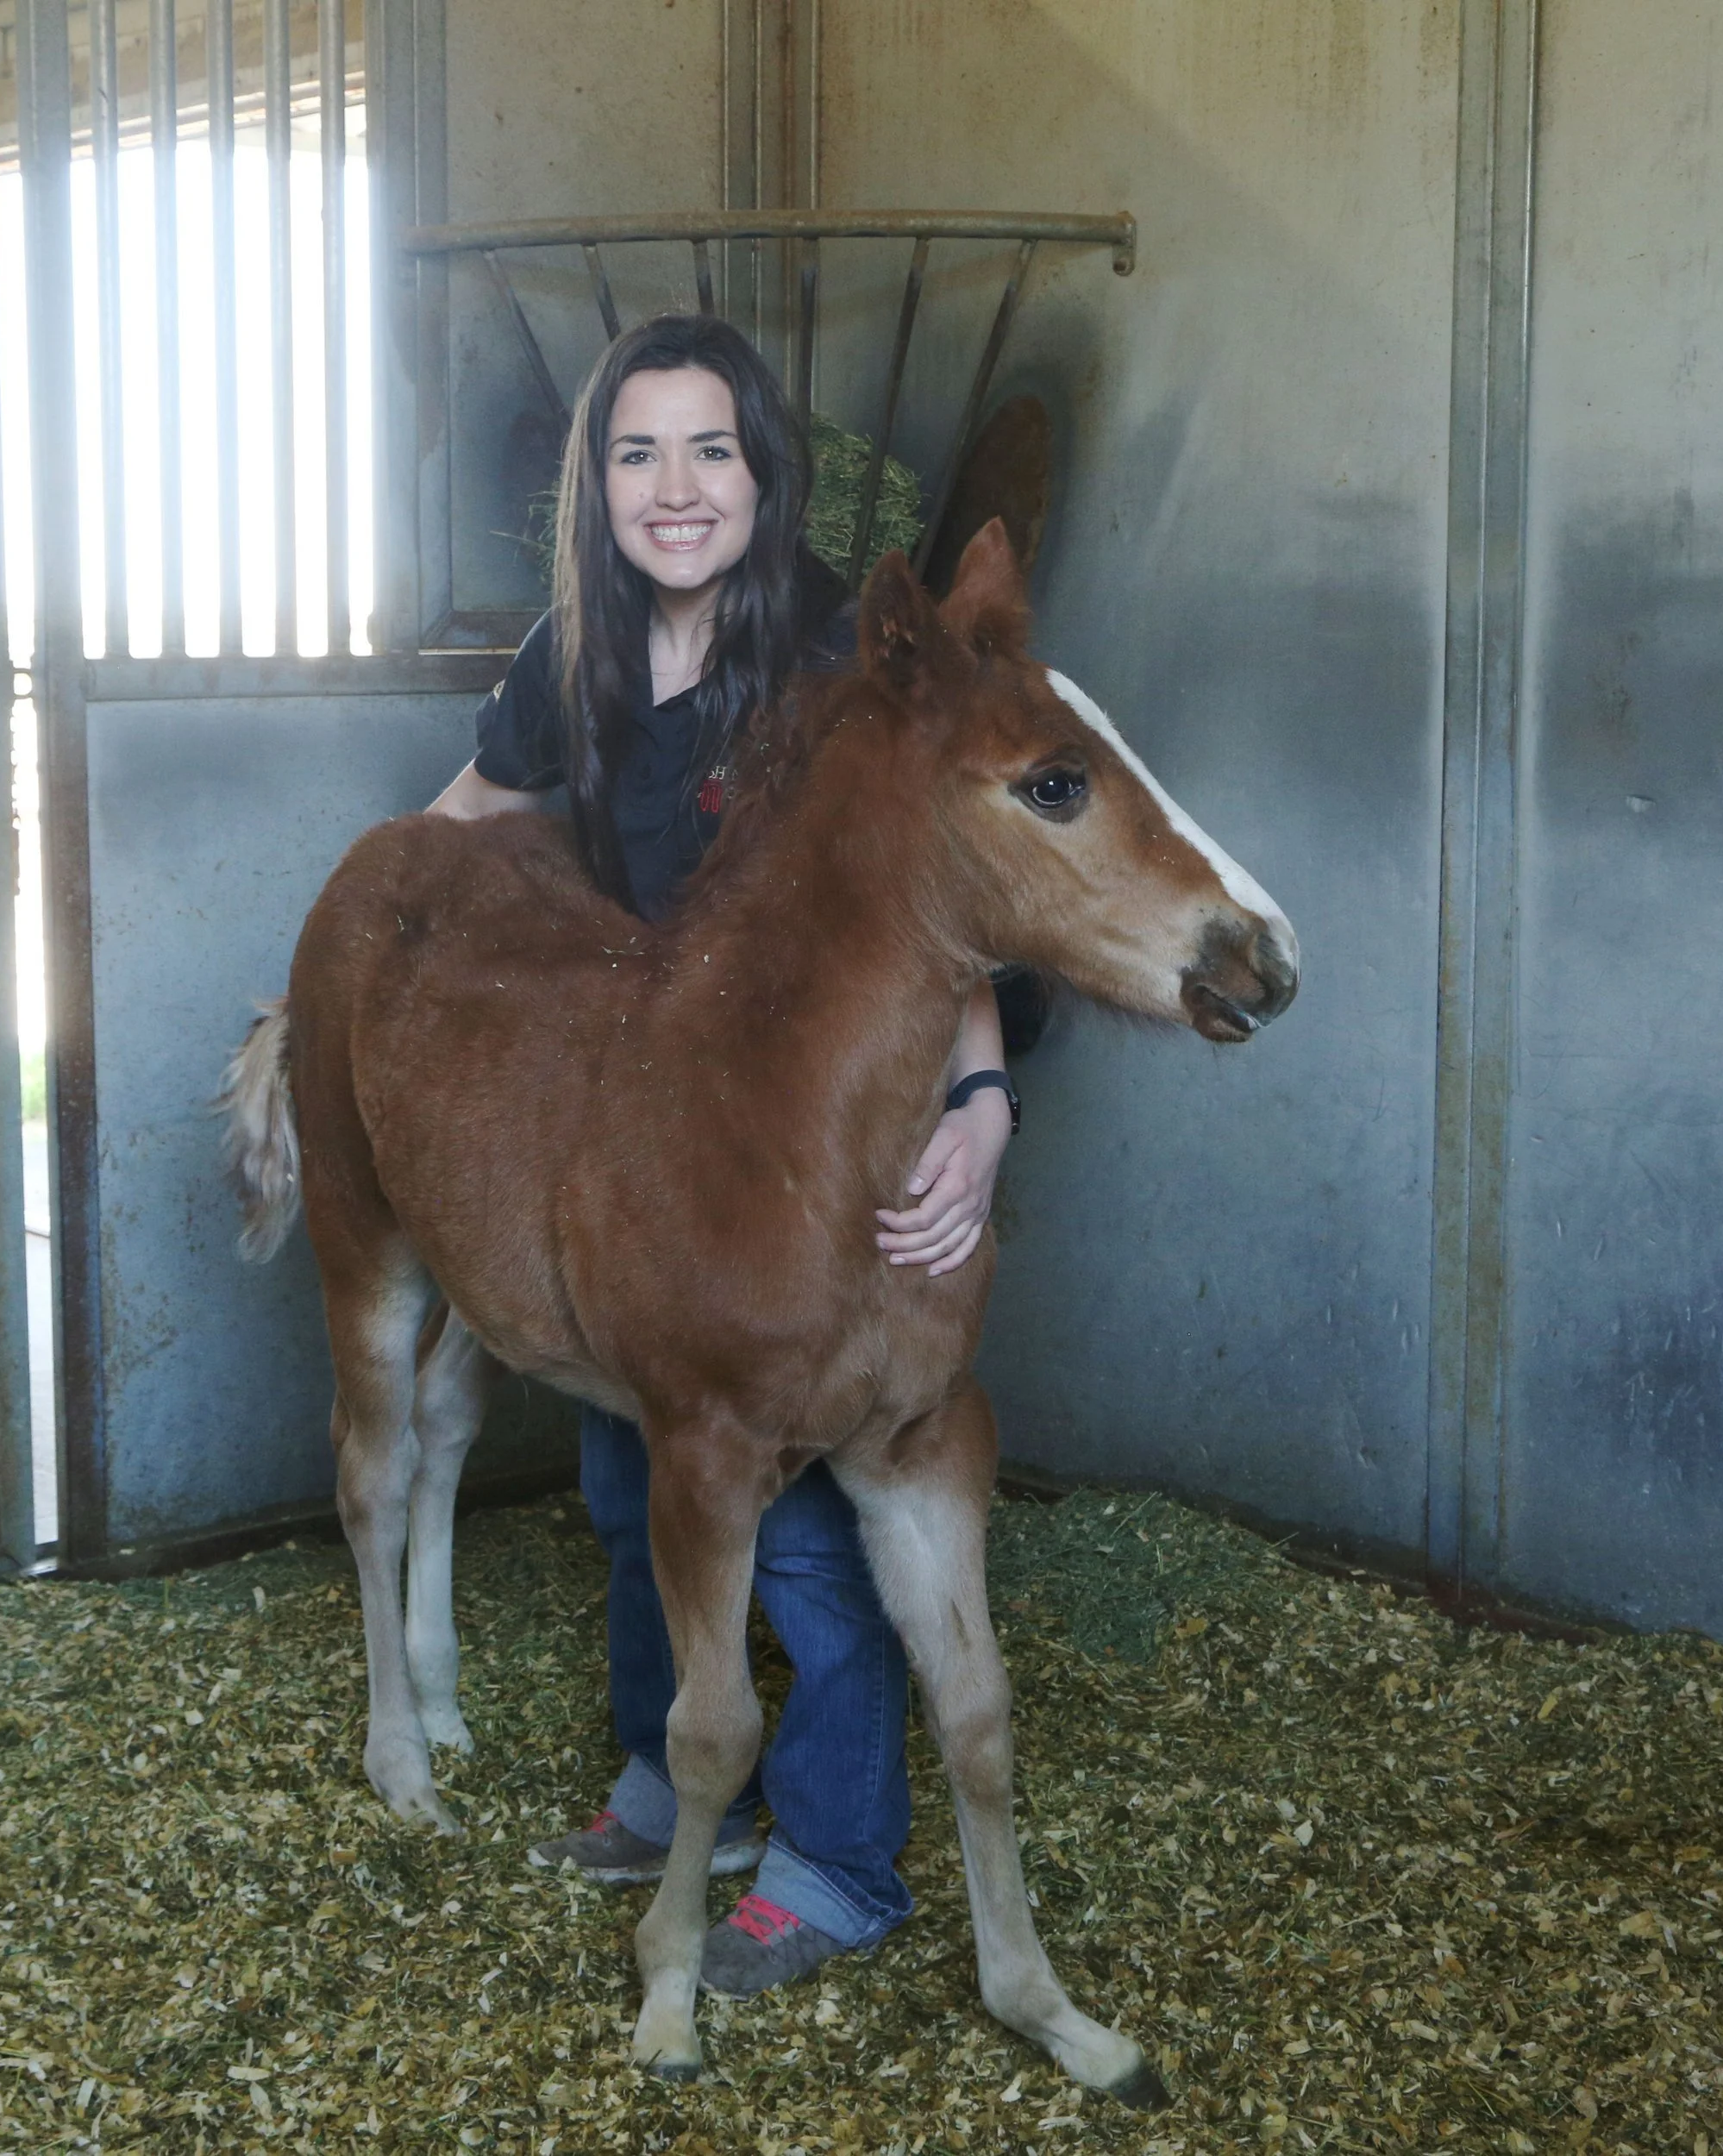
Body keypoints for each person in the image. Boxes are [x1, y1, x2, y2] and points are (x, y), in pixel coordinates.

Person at [426, 313, 1015, 1995]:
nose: (671, 488)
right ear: (593, 483)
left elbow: (941, 907)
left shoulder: (843, 658)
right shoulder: (574, 656)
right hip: (653, 1151)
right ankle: (684, 1776)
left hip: (818, 1150)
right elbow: (451, 826)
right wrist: (361, 970)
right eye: (634, 452)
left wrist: (979, 1107)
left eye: (708, 449)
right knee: (638, 1479)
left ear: (765, 472)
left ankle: (838, 1853)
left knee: (815, 1517)